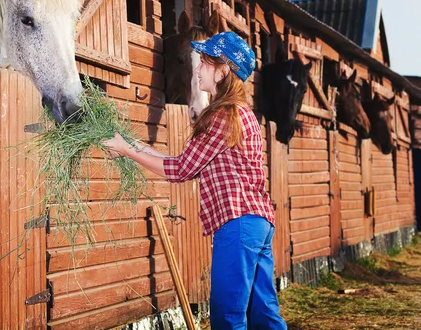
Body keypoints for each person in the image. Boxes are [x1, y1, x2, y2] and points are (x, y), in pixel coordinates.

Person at [101, 32, 287, 329]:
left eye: (204, 62)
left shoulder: (224, 116)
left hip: (239, 223)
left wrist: (127, 150)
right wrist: (129, 145)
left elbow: (179, 170)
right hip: (258, 223)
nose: (198, 69)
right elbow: (184, 163)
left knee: (228, 316)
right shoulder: (243, 113)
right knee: (263, 316)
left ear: (223, 71)